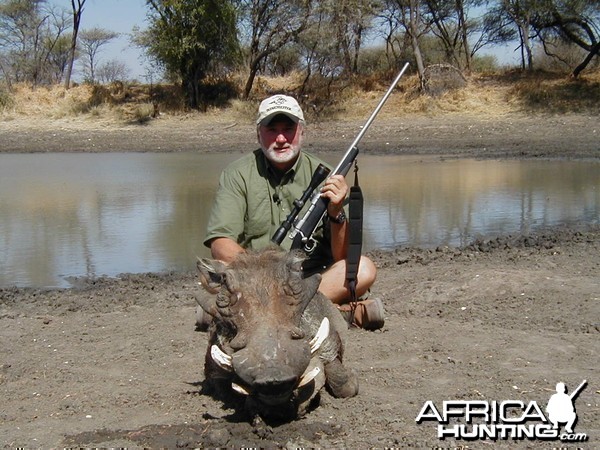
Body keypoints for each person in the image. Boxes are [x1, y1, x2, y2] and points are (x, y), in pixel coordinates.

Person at [199, 94, 384, 330]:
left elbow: (343, 258)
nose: (280, 138)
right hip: (255, 279)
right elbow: (220, 242)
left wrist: (337, 213)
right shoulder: (236, 174)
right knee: (211, 273)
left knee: (364, 268)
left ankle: (249, 315)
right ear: (258, 134)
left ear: (302, 132)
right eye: (271, 129)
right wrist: (263, 275)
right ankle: (336, 313)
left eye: (288, 129)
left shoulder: (328, 177)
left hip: (308, 281)